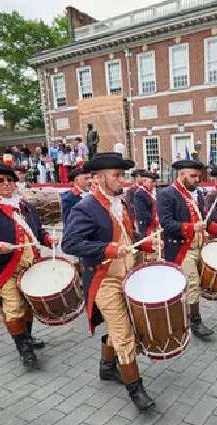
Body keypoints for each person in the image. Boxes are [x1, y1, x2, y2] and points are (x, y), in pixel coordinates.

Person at [62, 152, 160, 411]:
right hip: (103, 279)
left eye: (123, 175)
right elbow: (70, 243)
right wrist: (108, 249)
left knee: (123, 328)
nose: (123, 180)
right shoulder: (85, 207)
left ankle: (107, 367)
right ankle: (136, 390)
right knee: (125, 334)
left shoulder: (121, 203)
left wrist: (147, 242)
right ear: (98, 178)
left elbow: (127, 235)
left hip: (127, 275)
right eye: (117, 175)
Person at [0, 164, 53, 369]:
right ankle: (24, 350)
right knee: (13, 308)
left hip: (29, 265)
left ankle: (28, 337)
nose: (7, 184)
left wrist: (48, 239)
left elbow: (37, 231)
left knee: (28, 305)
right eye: (1, 180)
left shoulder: (24, 206)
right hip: (3, 268)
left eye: (10, 180)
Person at [157, 159, 213, 339]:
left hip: (197, 246)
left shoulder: (192, 194)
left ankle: (185, 317)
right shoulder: (167, 194)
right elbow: (166, 224)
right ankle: (195, 322)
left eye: (198, 176)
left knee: (193, 285)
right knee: (192, 285)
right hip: (182, 248)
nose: (198, 179)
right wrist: (190, 227)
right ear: (181, 175)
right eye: (193, 176)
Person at [133, 171, 159, 240]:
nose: (154, 184)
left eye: (154, 182)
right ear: (144, 181)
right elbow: (142, 213)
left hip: (155, 224)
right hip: (146, 225)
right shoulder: (140, 194)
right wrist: (155, 221)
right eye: (152, 182)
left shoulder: (154, 193)